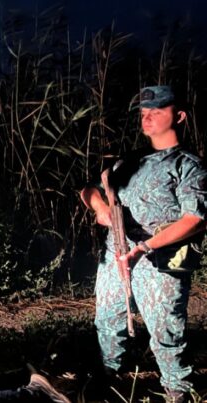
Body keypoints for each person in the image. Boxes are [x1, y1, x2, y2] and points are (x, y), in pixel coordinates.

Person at [80, 85, 207, 403]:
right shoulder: (130, 162)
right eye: (143, 112)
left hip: (159, 261)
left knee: (165, 328)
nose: (147, 117)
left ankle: (178, 387)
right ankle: (109, 374)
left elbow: (196, 218)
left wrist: (145, 247)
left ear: (179, 117)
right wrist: (102, 209)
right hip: (117, 253)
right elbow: (90, 190)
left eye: (157, 111)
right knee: (108, 318)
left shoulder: (188, 166)